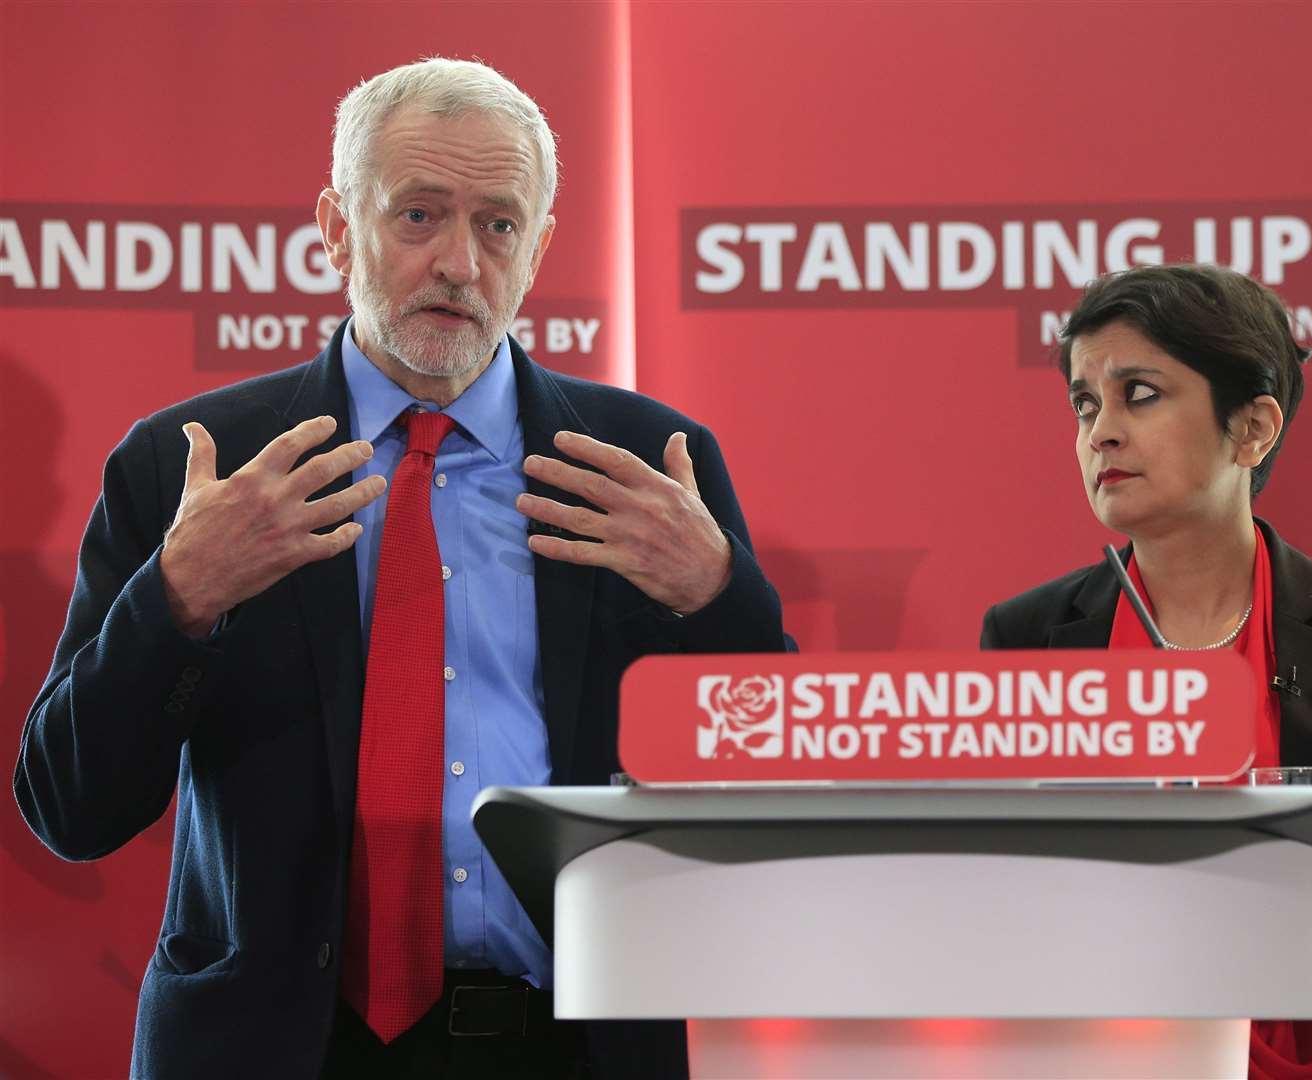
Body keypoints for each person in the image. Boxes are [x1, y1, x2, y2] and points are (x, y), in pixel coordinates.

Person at [13, 59, 788, 1080]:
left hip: (574, 1049)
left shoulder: (646, 463)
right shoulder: (194, 464)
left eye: (499, 224)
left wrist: (719, 598)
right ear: (337, 228)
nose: (460, 263)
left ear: (541, 244)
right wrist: (178, 598)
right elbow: (73, 809)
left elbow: (772, 797)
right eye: (418, 215)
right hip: (275, 1052)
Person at [980, 265, 1312, 1079]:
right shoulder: (1026, 638)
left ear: (1252, 428)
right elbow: (999, 894)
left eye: (1140, 394)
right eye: (1084, 402)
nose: (1100, 433)